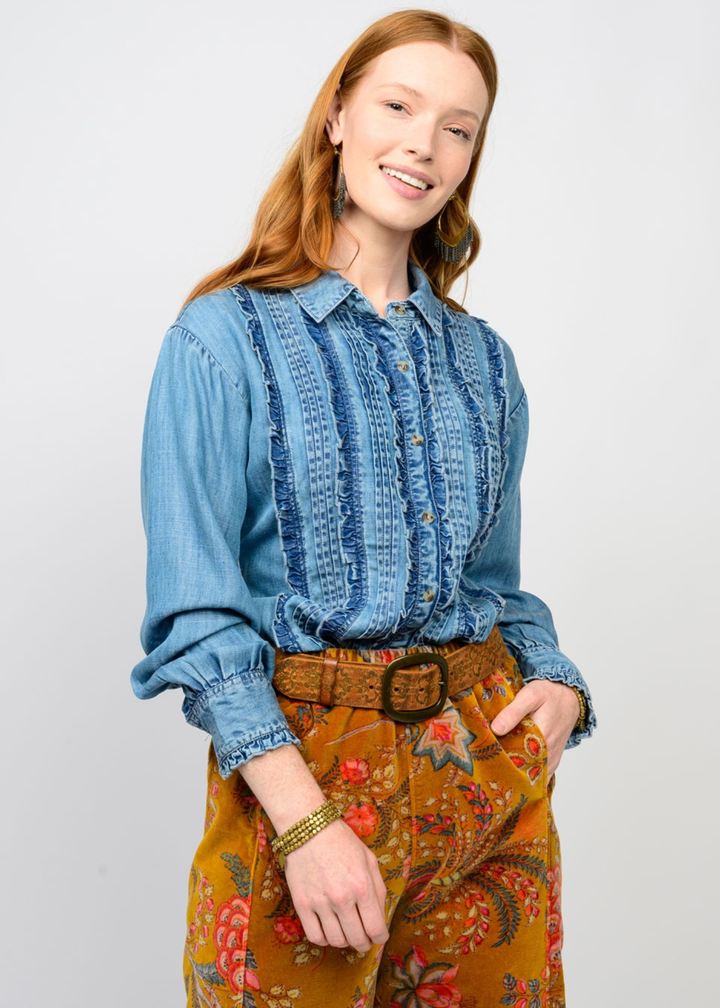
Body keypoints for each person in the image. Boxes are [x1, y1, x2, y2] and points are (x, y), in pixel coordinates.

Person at [131, 9, 595, 1007]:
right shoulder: (220, 341)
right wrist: (303, 823)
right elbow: (195, 614)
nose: (425, 145)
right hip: (303, 774)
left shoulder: (484, 362)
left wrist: (556, 681)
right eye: (399, 105)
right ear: (338, 115)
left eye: (460, 127)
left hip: (485, 776)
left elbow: (492, 587)